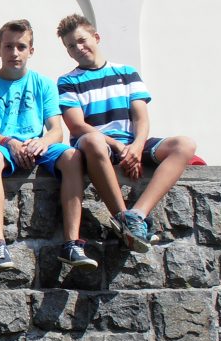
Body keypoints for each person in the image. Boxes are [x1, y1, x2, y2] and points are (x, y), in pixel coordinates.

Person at [0, 19, 97, 275]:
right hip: (3, 145)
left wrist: (42, 142)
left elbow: (56, 130)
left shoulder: (43, 84)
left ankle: (71, 243)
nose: (14, 53)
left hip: (37, 145)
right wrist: (9, 142)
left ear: (31, 51)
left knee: (72, 156)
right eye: (8, 46)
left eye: (21, 47)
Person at [56, 14, 197, 252]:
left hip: (131, 143)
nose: (78, 48)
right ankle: (122, 216)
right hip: (98, 147)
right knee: (93, 140)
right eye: (71, 46)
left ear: (96, 37)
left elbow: (141, 117)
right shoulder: (67, 81)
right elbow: (77, 125)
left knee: (185, 145)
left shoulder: (127, 72)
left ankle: (136, 215)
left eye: (81, 40)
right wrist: (118, 147)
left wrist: (137, 147)